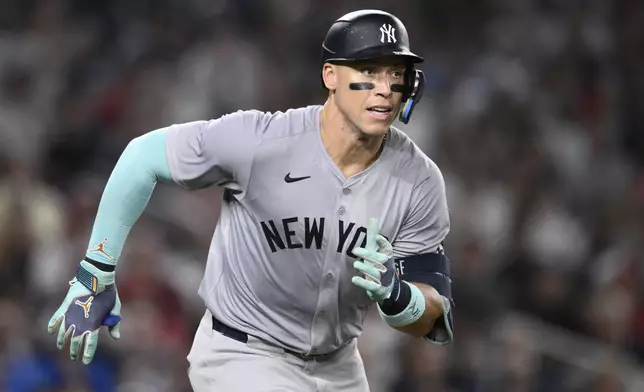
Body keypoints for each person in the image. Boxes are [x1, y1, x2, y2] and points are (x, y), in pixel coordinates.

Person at [46, 9, 455, 392]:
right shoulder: (261, 141)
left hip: (339, 365)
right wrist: (96, 269)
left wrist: (400, 295)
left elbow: (435, 314)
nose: (384, 89)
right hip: (242, 352)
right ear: (331, 76)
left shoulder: (418, 179)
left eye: (395, 74)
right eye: (368, 72)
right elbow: (142, 157)